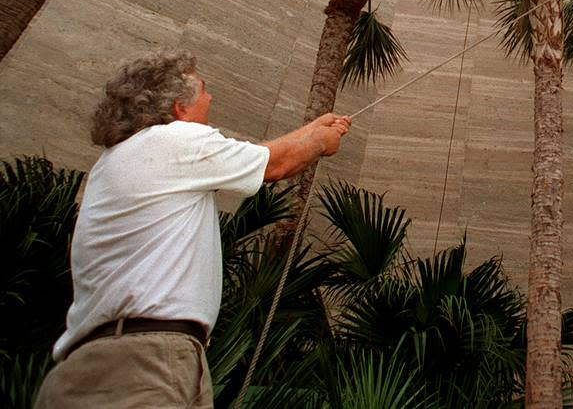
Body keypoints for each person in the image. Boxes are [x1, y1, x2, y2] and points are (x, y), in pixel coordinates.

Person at [34, 50, 351, 408]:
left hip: (107, 361)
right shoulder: (174, 141)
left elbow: (263, 154)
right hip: (143, 363)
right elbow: (274, 164)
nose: (211, 98)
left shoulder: (126, 158)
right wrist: (321, 142)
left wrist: (312, 129)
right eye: (203, 89)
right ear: (178, 109)